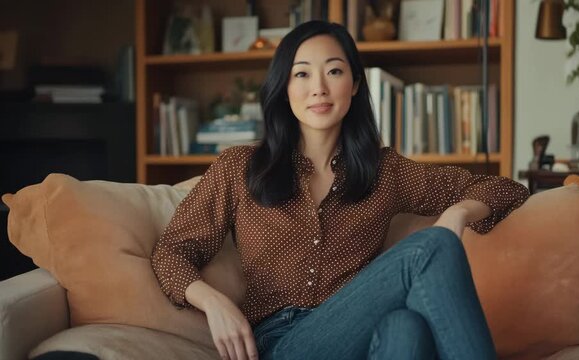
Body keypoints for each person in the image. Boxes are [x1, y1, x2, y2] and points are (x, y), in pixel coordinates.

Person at [151, 20, 529, 360]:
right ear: (284, 87)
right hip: (280, 344)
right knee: (434, 247)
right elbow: (171, 252)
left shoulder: (385, 171)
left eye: (334, 71)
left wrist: (458, 213)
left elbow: (504, 188)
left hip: (357, 343)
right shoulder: (240, 167)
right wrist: (214, 302)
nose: (318, 88)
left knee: (405, 328)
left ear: (355, 85)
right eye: (301, 75)